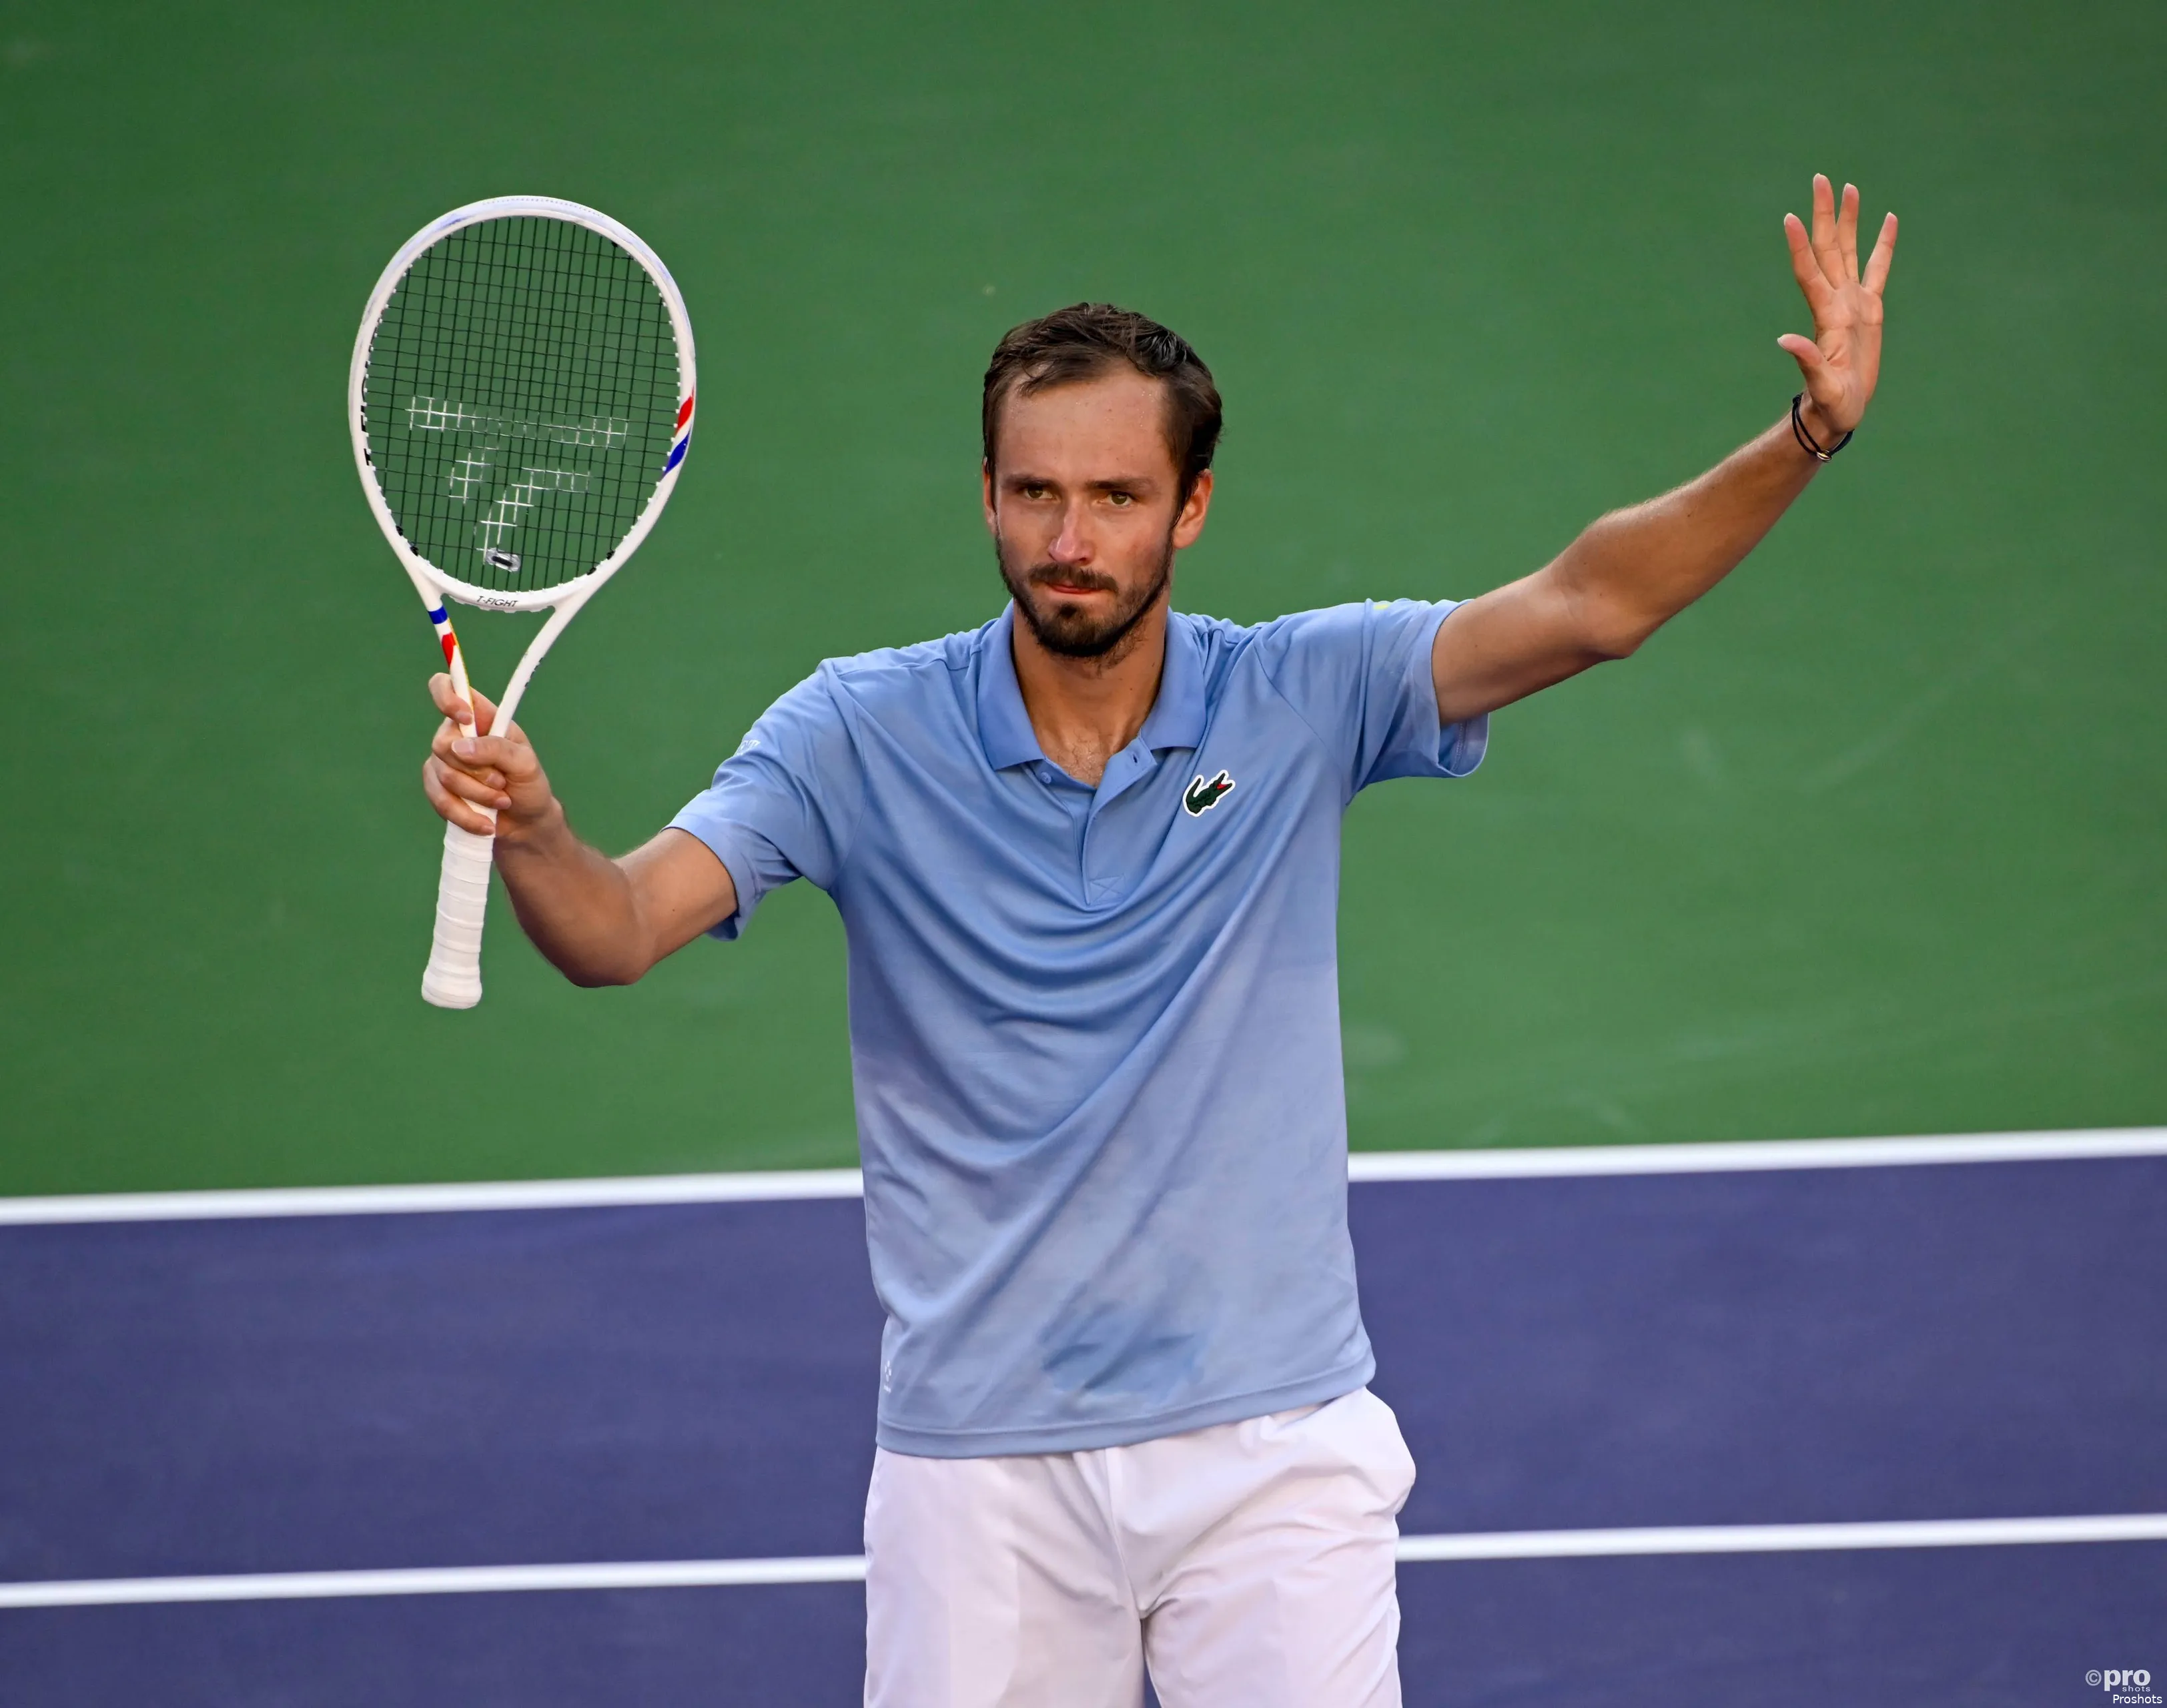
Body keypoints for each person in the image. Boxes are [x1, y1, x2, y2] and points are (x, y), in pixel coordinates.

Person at [422, 175, 1895, 1707]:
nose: (1070, 537)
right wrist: (530, 825)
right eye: (1035, 492)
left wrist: (1808, 435)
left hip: (1270, 1455)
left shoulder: (1300, 693)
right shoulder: (854, 732)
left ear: (1188, 508)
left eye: (1115, 497)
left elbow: (1590, 603)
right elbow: (617, 928)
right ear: (986, 494)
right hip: (980, 1466)